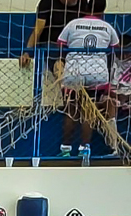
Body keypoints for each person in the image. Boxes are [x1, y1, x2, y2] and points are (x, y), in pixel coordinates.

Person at [56, 0, 121, 159]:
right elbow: (116, 48)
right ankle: (84, 150)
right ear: (103, 10)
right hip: (97, 74)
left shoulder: (73, 23)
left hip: (74, 72)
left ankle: (65, 149)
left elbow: (60, 45)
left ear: (84, 8)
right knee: (88, 113)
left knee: (71, 111)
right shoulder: (107, 27)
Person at [19, 0, 89, 70]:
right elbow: (37, 30)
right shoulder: (48, 3)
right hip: (51, 45)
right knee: (58, 66)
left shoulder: (82, 3)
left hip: (72, 45)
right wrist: (27, 52)